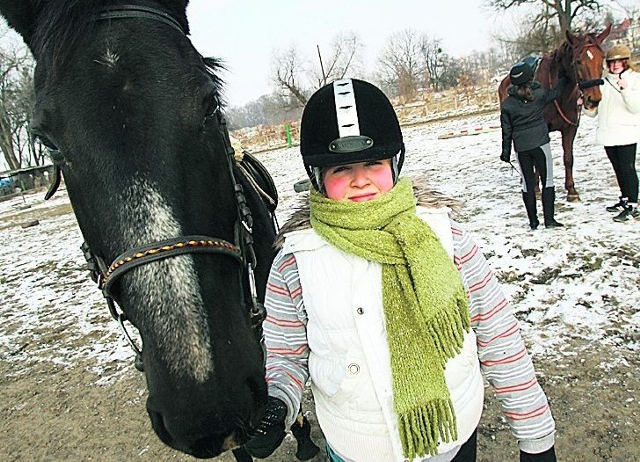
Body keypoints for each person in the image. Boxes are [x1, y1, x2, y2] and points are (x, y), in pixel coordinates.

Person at [244, 78, 557, 461]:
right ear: (317, 177)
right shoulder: (295, 262)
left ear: (395, 163)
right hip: (357, 448)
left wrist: (536, 435)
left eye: (373, 163)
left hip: (450, 438)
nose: (360, 180)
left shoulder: (447, 238)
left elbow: (499, 337)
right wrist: (277, 404)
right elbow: (285, 355)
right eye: (341, 168)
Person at [500, 60, 566, 229]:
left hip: (521, 148)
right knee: (547, 180)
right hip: (540, 143)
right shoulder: (539, 94)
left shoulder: (507, 104)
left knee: (527, 184)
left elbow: (506, 130)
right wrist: (564, 77)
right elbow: (556, 93)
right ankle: (549, 220)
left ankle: (533, 221)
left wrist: (506, 152)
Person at [582, 44, 640, 222]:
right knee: (618, 169)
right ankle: (624, 198)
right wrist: (586, 104)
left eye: (619, 62)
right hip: (608, 133)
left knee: (628, 168)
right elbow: (595, 112)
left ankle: (633, 204)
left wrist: (626, 90)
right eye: (612, 62)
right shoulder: (604, 81)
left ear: (626, 62)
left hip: (626, 131)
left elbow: (635, 107)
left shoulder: (635, 79)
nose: (615, 65)